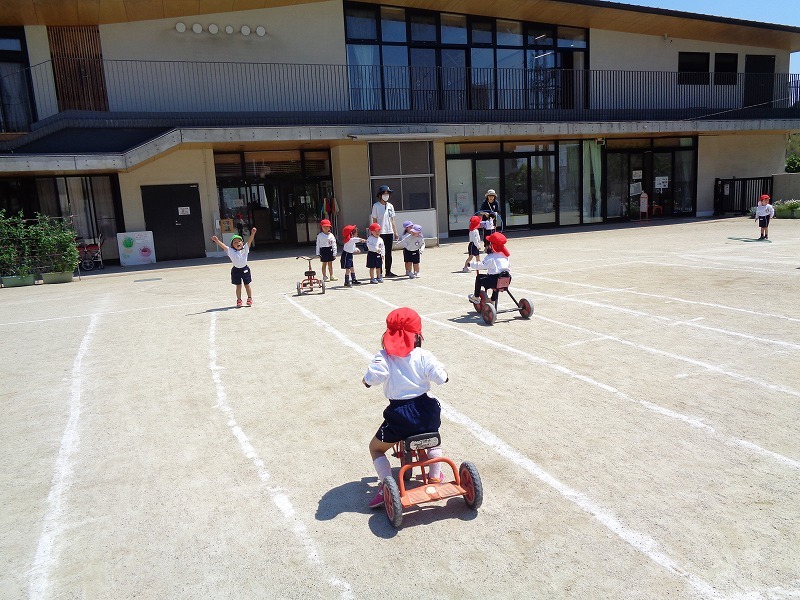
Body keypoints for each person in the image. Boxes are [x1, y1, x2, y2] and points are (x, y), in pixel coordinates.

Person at [362, 307, 449, 508]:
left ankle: (386, 484)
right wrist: (444, 376)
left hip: (399, 415)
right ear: (417, 335)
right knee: (432, 437)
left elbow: (374, 376)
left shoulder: (383, 356)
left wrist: (366, 381)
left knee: (375, 448)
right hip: (426, 411)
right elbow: (440, 376)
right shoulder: (423, 355)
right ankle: (435, 476)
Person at [211, 227, 257, 307]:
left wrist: (252, 233)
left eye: (239, 241)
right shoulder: (230, 251)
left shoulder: (245, 249)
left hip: (245, 269)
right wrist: (217, 241)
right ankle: (239, 300)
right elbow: (223, 246)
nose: (238, 243)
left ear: (242, 243)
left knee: (247, 284)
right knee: (238, 285)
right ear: (232, 245)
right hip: (236, 270)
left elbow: (249, 241)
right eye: (235, 242)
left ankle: (249, 298)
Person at [467, 232, 510, 303]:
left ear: (491, 246)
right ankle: (493, 299)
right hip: (507, 279)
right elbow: (508, 266)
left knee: (479, 278)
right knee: (497, 279)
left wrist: (471, 264)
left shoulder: (491, 257)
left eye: (486, 245)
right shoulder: (505, 256)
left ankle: (476, 297)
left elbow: (481, 265)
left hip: (494, 281)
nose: (486, 247)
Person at [371, 184, 399, 277]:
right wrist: (374, 232)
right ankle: (380, 272)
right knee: (380, 252)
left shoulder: (390, 206)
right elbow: (374, 220)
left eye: (388, 193)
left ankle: (388, 271)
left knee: (388, 252)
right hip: (380, 233)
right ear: (380, 195)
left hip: (389, 232)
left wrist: (395, 232)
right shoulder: (376, 206)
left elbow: (392, 220)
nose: (386, 195)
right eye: (384, 193)